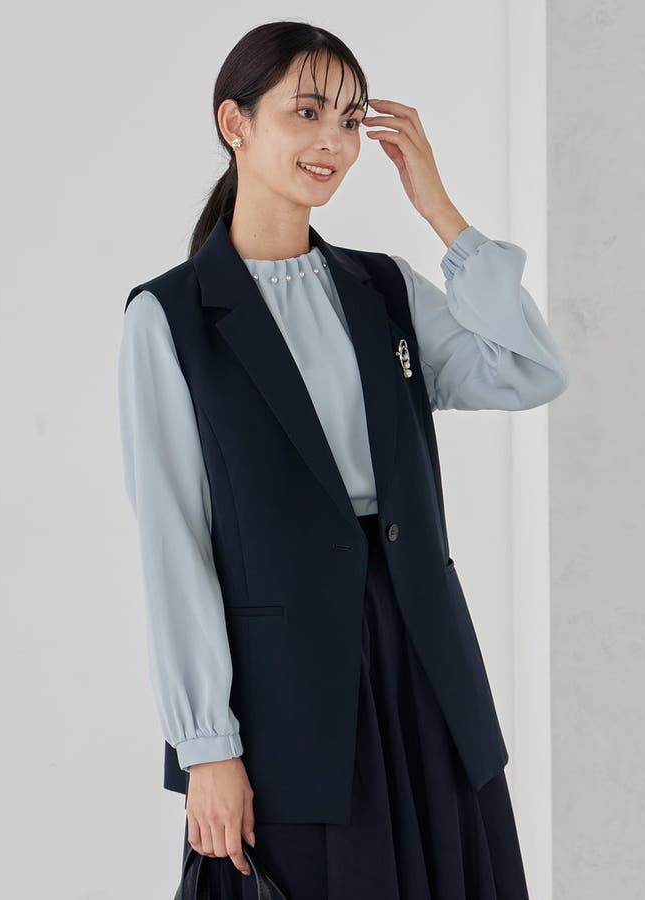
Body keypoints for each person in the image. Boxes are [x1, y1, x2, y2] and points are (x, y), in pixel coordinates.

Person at [117, 20, 569, 900]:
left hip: (426, 669)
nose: (334, 140)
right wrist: (206, 748)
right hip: (288, 701)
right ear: (235, 123)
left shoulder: (383, 288)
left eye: (351, 119)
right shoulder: (169, 318)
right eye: (308, 111)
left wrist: (441, 213)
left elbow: (530, 371)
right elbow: (174, 544)